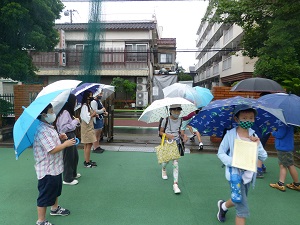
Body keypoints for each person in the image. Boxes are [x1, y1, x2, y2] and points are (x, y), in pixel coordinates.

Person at [217, 104, 267, 225]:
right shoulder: (230, 135)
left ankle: (223, 206)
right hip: (235, 176)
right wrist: (233, 161)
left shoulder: (254, 136)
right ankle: (224, 207)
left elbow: (263, 156)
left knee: (237, 199)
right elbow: (221, 153)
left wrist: (258, 145)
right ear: (236, 119)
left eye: (251, 118)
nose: (248, 121)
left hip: (248, 176)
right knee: (242, 210)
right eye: (244, 118)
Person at [33, 103, 76, 225]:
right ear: (44, 115)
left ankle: (54, 208)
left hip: (55, 167)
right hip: (47, 170)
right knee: (45, 195)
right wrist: (65, 144)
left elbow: (53, 142)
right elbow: (51, 150)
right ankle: (41, 221)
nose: (53, 114)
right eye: (51, 112)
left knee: (55, 190)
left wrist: (60, 137)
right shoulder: (42, 130)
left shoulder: (48, 127)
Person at [159, 104, 188, 194]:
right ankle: (163, 169)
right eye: (175, 111)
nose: (177, 113)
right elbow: (160, 132)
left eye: (179, 111)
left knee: (175, 162)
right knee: (166, 161)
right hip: (168, 142)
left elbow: (182, 132)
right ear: (171, 111)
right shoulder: (165, 120)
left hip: (177, 143)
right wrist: (167, 135)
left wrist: (184, 136)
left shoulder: (181, 120)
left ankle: (175, 184)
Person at [56, 94, 81, 185]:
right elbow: (63, 128)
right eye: (75, 101)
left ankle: (73, 174)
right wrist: (75, 122)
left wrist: (75, 122)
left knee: (74, 156)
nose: (75, 103)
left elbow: (70, 125)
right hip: (66, 136)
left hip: (70, 135)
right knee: (69, 157)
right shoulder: (65, 112)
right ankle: (67, 178)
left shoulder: (68, 112)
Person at [269, 124, 300, 191]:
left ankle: (281, 184)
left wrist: (273, 131)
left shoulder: (283, 124)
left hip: (283, 148)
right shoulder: (289, 124)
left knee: (283, 165)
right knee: (289, 165)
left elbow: (280, 135)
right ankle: (296, 184)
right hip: (287, 147)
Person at [80, 90, 98, 168]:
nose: (91, 97)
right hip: (87, 128)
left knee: (87, 144)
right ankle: (87, 162)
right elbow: (86, 118)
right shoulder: (84, 106)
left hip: (89, 127)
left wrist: (93, 115)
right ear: (87, 97)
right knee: (89, 144)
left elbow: (88, 116)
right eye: (90, 96)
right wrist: (93, 114)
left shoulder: (88, 105)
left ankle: (87, 160)